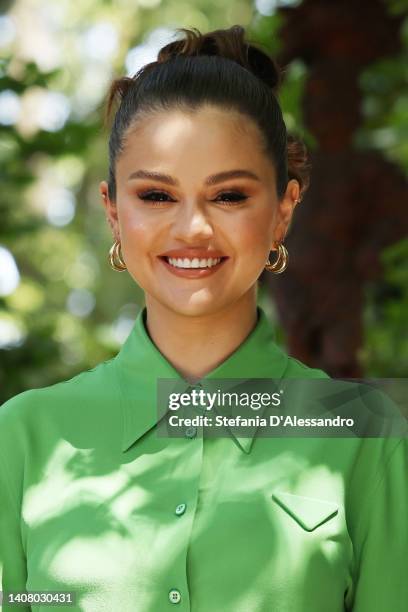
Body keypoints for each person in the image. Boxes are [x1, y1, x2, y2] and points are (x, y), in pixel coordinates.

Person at [0, 24, 406, 612]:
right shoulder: (22, 438)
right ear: (113, 211)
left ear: (284, 210)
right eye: (157, 196)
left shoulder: (364, 436)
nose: (192, 228)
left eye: (230, 196)